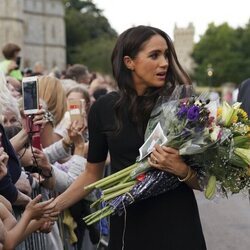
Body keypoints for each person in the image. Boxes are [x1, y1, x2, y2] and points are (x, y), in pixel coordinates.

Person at [49, 25, 206, 250]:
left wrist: (181, 169)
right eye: (154, 55)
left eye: (166, 55)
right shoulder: (103, 109)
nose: (164, 63)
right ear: (129, 62)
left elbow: (203, 181)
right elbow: (92, 174)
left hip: (178, 223)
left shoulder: (185, 107)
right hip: (129, 224)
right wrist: (53, 208)